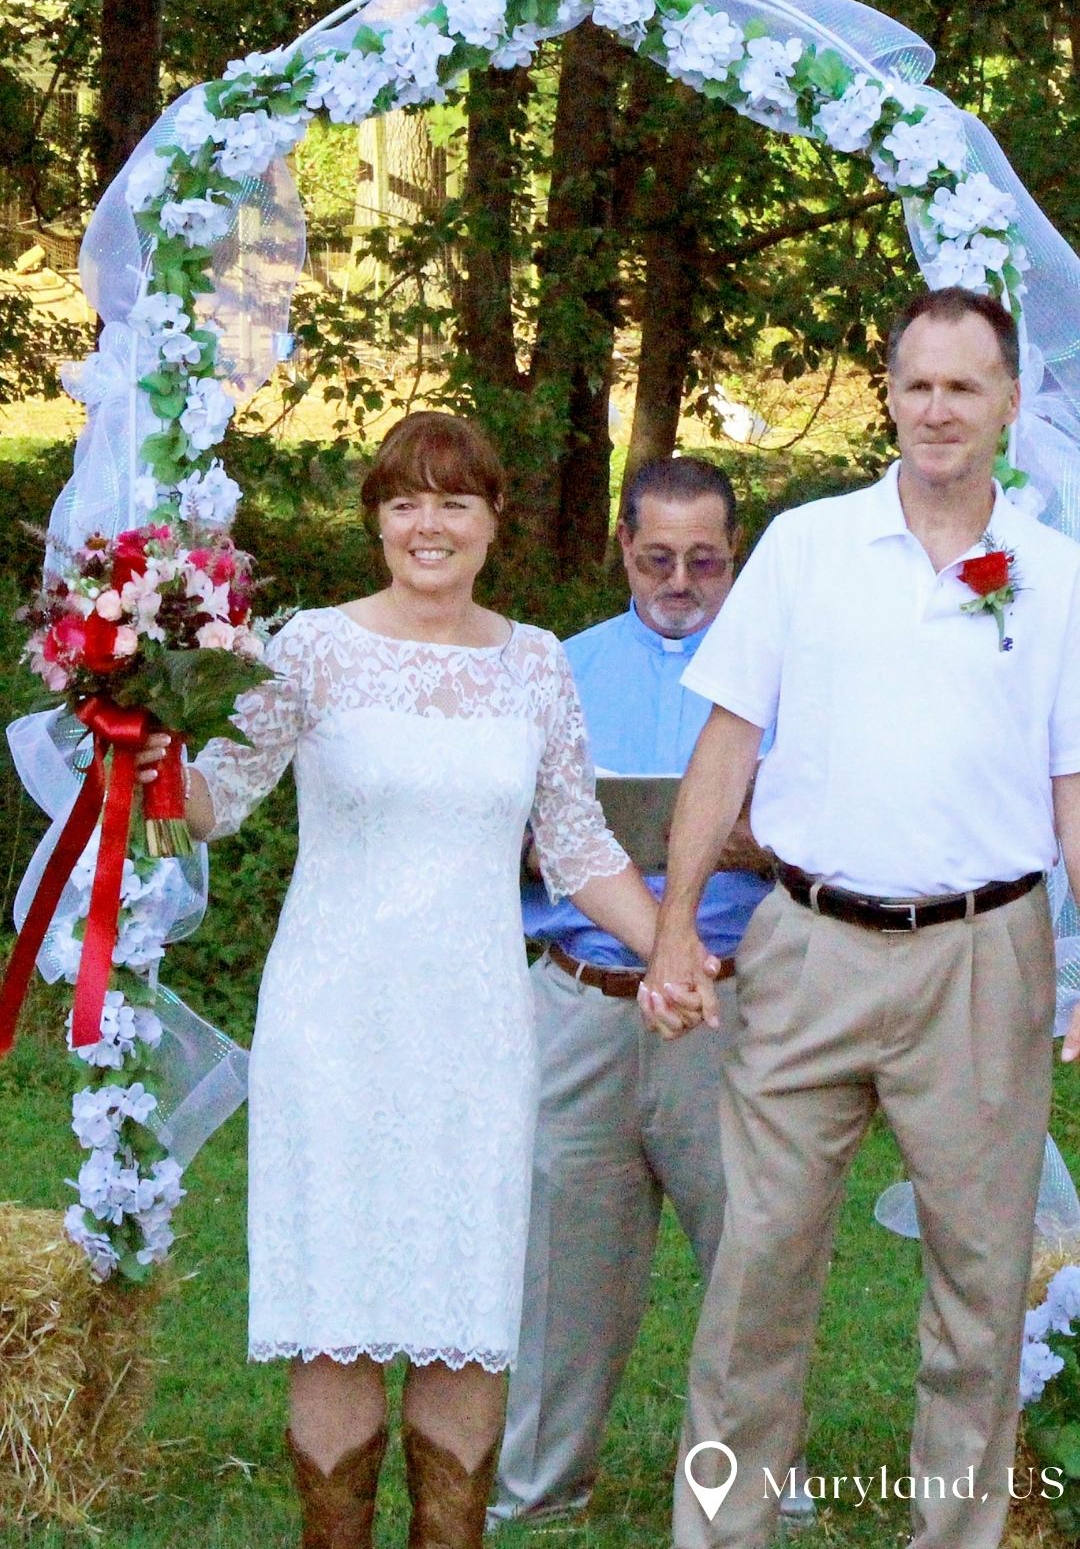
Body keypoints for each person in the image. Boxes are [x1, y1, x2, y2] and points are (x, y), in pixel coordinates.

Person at [137, 412, 687, 1549]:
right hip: (332, 1025)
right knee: (334, 1318)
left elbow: (577, 844)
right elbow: (220, 797)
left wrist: (669, 948)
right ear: (376, 521)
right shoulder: (311, 649)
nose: (427, 525)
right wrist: (147, 759)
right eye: (403, 502)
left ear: (493, 522)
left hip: (475, 1028)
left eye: (454, 502)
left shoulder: (535, 662)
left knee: (462, 1313)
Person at [642, 287, 1080, 1549]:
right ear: (889, 394)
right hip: (809, 948)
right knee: (755, 1283)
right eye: (917, 383)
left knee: (981, 1292)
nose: (938, 408)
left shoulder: (1053, 578)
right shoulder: (807, 546)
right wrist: (678, 930)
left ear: (1007, 402)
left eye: (964, 385)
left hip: (987, 959)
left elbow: (1071, 791)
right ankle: (719, 1534)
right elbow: (727, 746)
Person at [491, 457, 812, 1528]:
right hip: (581, 989)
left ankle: (764, 1475)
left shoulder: (792, 675)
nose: (680, 581)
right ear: (624, 548)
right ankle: (539, 1482)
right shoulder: (559, 669)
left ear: (738, 557)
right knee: (559, 1255)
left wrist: (746, 837)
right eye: (658, 557)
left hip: (733, 998)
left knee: (752, 1243)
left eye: (706, 561)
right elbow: (504, 829)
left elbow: (842, 834)